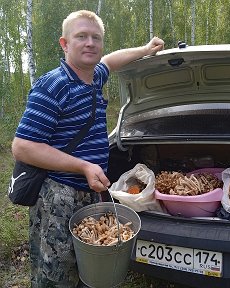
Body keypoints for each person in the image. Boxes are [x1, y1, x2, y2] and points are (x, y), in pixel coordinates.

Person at [11, 10, 164, 287]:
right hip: (58, 195)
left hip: (89, 193)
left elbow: (111, 61)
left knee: (89, 271)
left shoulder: (94, 77)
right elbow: (23, 147)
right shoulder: (53, 85)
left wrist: (146, 49)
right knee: (55, 274)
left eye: (96, 37)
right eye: (81, 36)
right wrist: (82, 166)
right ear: (64, 44)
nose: (90, 43)